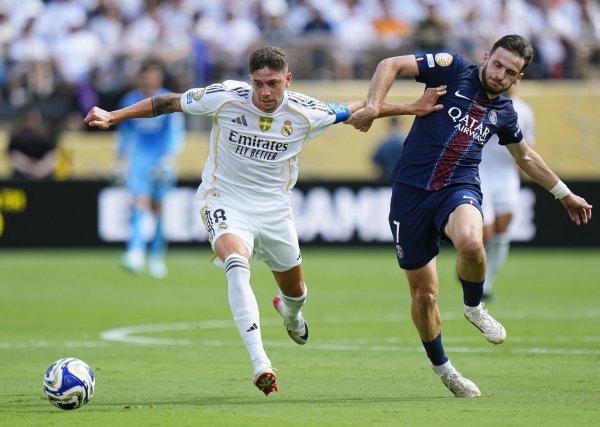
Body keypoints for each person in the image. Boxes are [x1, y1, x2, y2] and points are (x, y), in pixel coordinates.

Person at [84, 46, 446, 396]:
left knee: (297, 293)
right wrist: (114, 116)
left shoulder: (306, 112)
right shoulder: (224, 97)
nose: (265, 92)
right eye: (258, 84)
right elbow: (167, 102)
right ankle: (261, 363)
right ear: (250, 81)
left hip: (274, 210)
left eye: (273, 84)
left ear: (288, 80)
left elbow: (355, 110)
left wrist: (411, 108)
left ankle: (291, 314)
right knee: (236, 263)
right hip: (223, 199)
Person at [348, 34, 592, 397]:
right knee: (424, 295)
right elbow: (390, 64)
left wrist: (564, 194)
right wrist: (373, 105)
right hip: (410, 194)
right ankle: (444, 370)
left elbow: (525, 157)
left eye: (510, 72)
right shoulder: (453, 68)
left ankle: (474, 306)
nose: (499, 75)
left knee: (471, 242)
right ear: (486, 56)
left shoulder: (505, 113)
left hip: (458, 186)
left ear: (519, 78)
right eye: (497, 64)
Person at [116, 61, 185, 278]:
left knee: (158, 209)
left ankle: (156, 256)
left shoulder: (169, 100)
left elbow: (175, 132)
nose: (149, 81)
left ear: (159, 78)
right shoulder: (130, 100)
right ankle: (135, 252)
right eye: (146, 76)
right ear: (140, 78)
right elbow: (125, 132)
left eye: (154, 77)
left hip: (162, 161)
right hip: (139, 161)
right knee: (139, 202)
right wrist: (121, 160)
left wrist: (169, 159)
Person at [480, 86, 536, 300]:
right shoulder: (481, 104)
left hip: (506, 177)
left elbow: (528, 145)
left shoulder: (525, 111)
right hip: (479, 172)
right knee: (485, 232)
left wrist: (524, 166)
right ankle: (470, 264)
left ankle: (486, 284)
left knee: (501, 233)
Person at [7, 104, 57, 180]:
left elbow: (52, 155)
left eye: (33, 118)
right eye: (28, 118)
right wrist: (28, 167)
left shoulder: (45, 136)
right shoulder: (17, 137)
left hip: (42, 174)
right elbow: (13, 156)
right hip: (21, 175)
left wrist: (40, 169)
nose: (30, 121)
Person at [372, 116, 406, 182]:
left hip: (386, 176)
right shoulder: (405, 141)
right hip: (403, 177)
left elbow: (376, 158)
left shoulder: (383, 142)